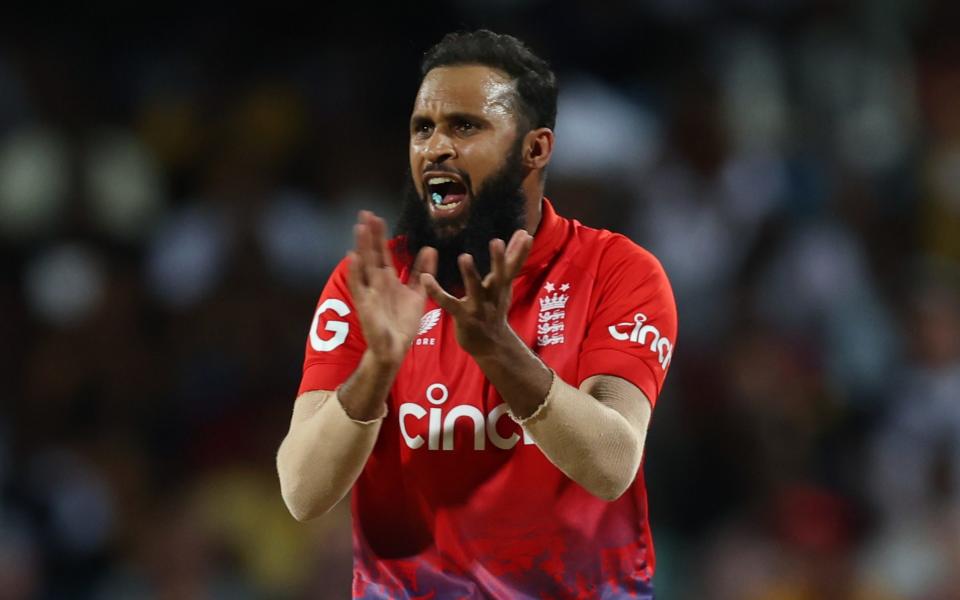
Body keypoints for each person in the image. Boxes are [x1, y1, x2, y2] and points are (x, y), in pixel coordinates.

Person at [277, 29, 677, 599]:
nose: (435, 147)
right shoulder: (369, 283)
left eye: (465, 126)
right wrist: (376, 369)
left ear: (534, 149)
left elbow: (611, 465)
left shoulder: (617, 270)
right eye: (423, 128)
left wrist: (497, 349)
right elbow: (302, 490)